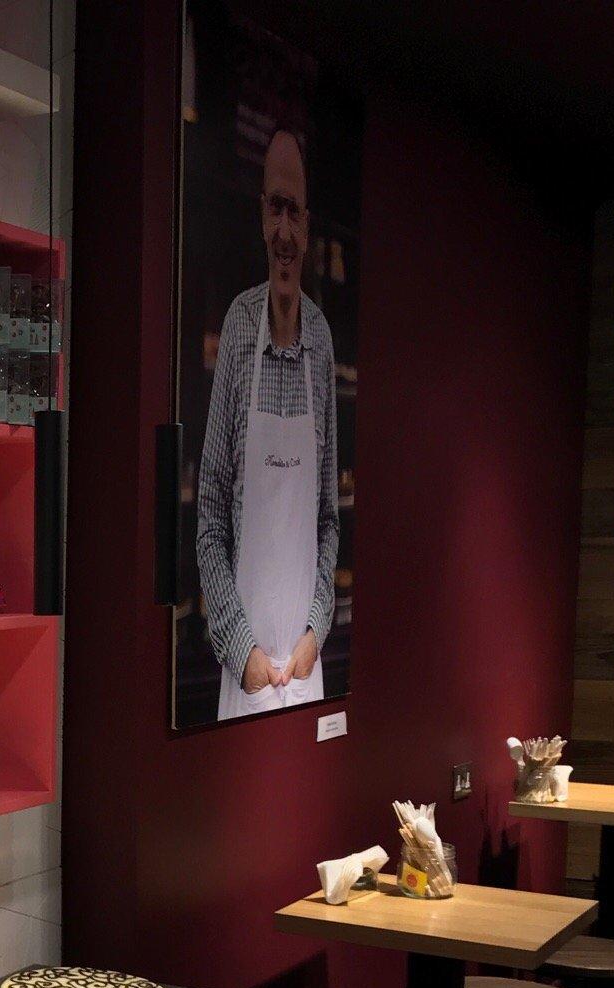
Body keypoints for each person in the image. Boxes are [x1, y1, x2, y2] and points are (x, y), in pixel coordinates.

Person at [194, 126, 339, 720]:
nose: (284, 232)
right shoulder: (238, 323)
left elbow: (329, 520)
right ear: (262, 216)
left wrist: (314, 636)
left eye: (294, 213)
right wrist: (241, 650)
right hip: (245, 674)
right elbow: (208, 518)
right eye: (274, 209)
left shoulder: (323, 342)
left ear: (308, 226)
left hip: (307, 672)